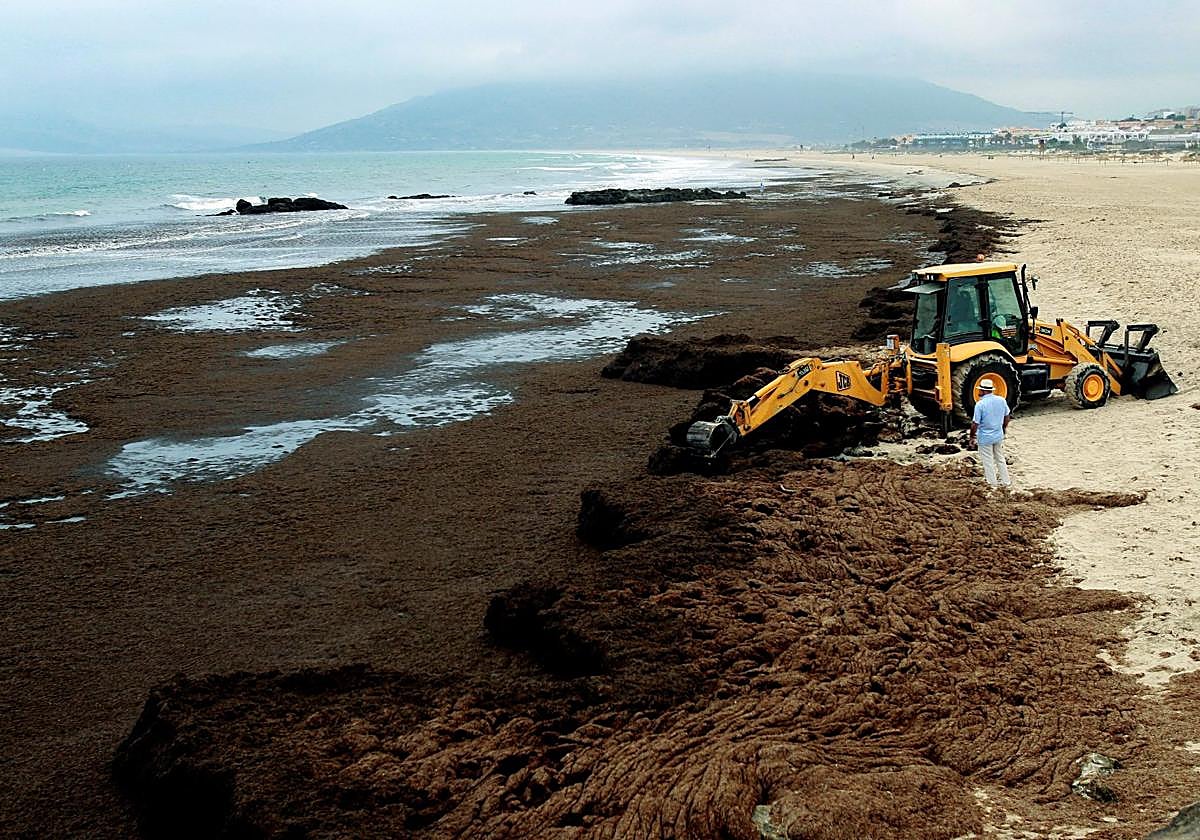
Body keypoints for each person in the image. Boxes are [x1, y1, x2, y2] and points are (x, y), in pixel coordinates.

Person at [969, 378, 1012, 488]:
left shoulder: (980, 405)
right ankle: (1006, 481)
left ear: (983, 391)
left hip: (985, 437)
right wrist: (1003, 428)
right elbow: (1007, 416)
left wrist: (972, 437)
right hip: (998, 435)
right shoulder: (1001, 400)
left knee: (988, 461)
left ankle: (992, 484)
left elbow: (975, 423)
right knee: (1000, 458)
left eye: (980, 390)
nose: (979, 391)